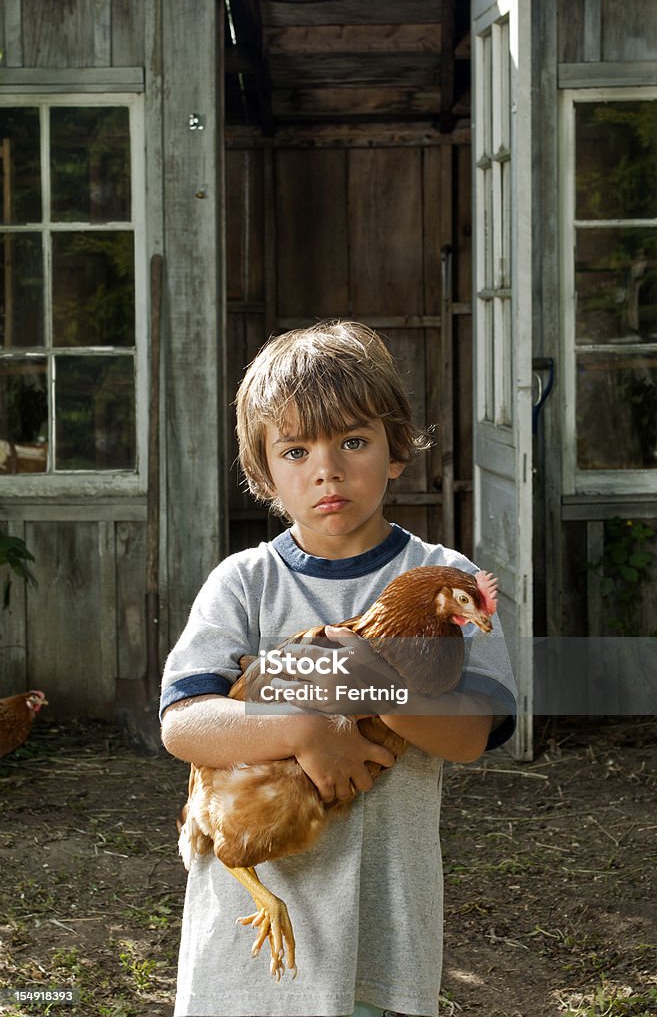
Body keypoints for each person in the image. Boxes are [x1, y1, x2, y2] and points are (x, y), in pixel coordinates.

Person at [160, 321, 517, 1017]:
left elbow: (471, 734)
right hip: (247, 944)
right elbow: (183, 724)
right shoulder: (243, 583)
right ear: (264, 473)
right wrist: (304, 730)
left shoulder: (450, 580)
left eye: (352, 441)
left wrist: (371, 684)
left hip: (382, 932)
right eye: (295, 450)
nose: (326, 469)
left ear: (395, 451)